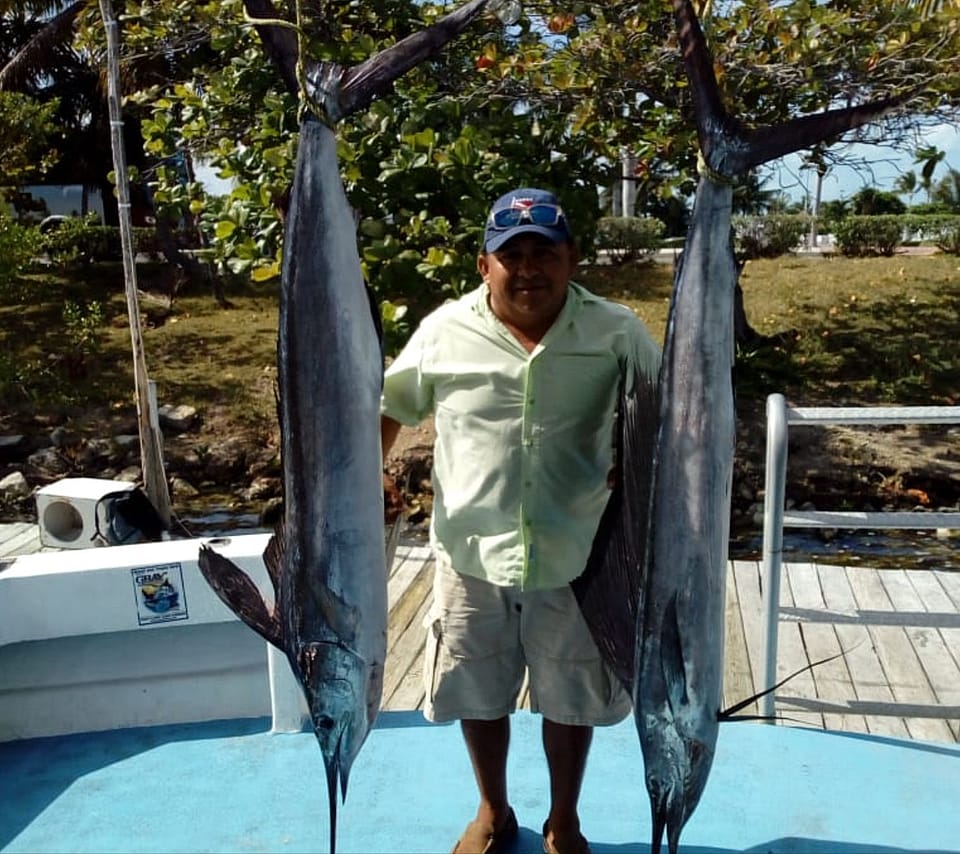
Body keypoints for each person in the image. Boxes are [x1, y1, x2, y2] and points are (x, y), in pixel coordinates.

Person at [380, 188, 661, 854]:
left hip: (581, 552)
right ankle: (492, 809)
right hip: (469, 550)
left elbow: (663, 415)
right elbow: (390, 405)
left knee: (571, 697)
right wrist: (370, 477)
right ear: (485, 265)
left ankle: (565, 820)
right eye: (512, 255)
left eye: (544, 253)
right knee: (479, 689)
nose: (527, 268)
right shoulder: (444, 329)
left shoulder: (617, 330)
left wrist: (638, 463)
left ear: (572, 258)